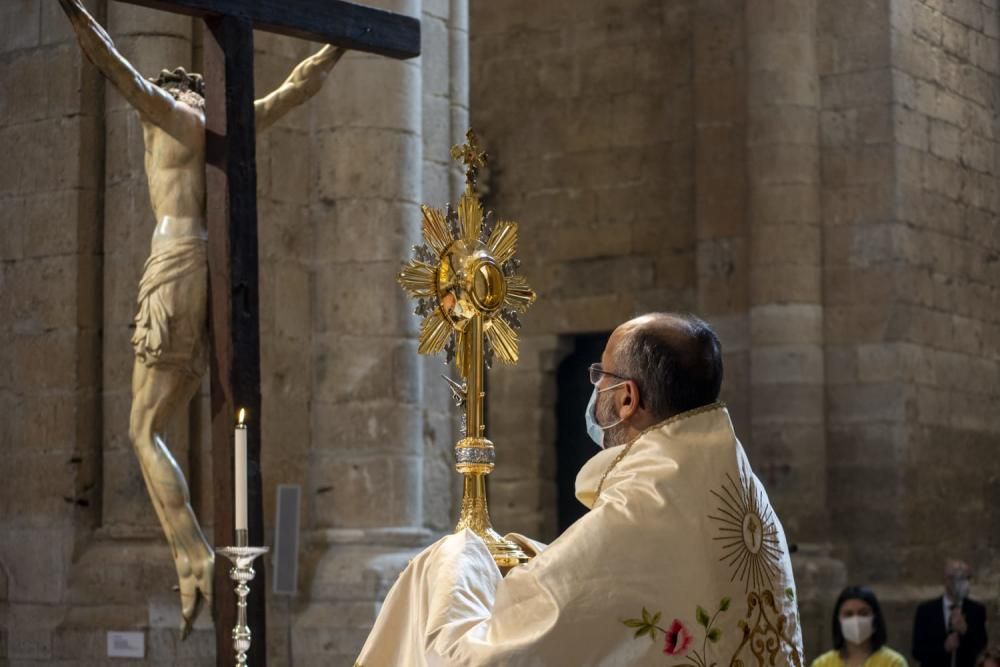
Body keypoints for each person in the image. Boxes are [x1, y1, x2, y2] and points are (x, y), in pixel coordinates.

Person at [57, 0, 345, 636]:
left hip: (174, 265)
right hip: (216, 271)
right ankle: (199, 556)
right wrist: (338, 42)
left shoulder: (168, 113)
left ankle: (191, 554)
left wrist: (76, 13)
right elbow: (301, 84)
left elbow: (117, 67)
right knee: (191, 414)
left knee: (141, 427)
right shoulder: (228, 123)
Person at [356, 313, 805, 666]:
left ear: (627, 398)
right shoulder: (736, 491)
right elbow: (621, 591)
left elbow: (485, 657)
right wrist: (539, 559)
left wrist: (458, 558)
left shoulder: (645, 502)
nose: (595, 391)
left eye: (601, 376)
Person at [913, 560, 988, 667]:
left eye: (967, 578)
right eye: (960, 578)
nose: (965, 583)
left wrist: (965, 630)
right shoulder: (926, 611)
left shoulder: (976, 610)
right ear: (947, 580)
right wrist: (943, 648)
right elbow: (917, 651)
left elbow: (981, 646)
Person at [811, 586, 906, 667]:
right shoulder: (822, 664)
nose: (856, 619)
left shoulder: (893, 662)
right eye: (848, 614)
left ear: (875, 618)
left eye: (863, 613)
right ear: (838, 620)